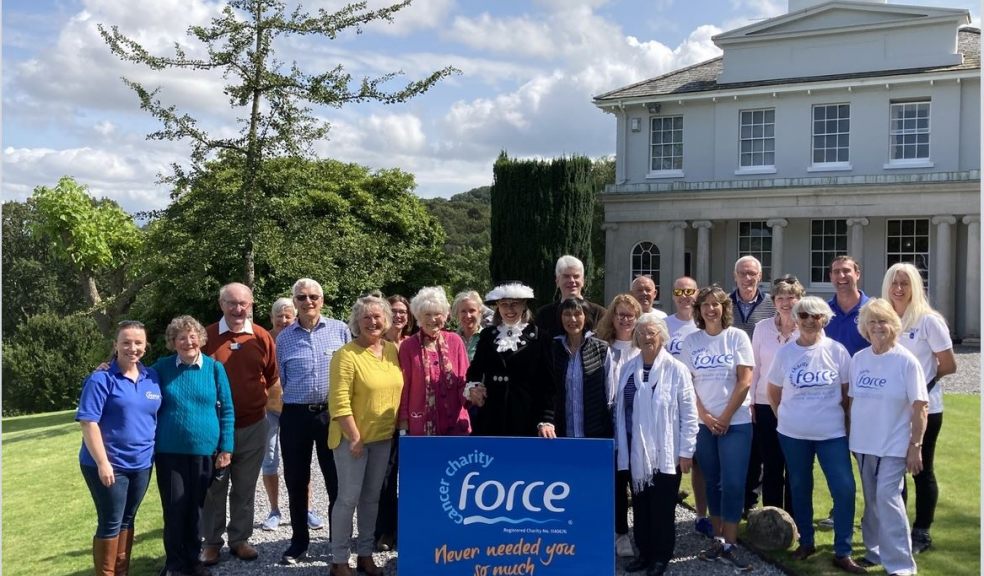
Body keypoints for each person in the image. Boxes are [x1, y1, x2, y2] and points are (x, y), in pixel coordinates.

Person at [767, 297, 864, 574]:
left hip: (832, 433)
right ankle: (806, 542)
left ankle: (843, 551)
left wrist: (840, 422)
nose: (811, 320)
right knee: (799, 487)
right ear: (796, 318)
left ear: (825, 319)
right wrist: (784, 417)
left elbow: (847, 395)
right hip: (793, 434)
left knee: (845, 489)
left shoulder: (837, 351)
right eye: (805, 314)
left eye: (817, 315)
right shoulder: (785, 353)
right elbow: (774, 393)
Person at [200, 283, 279, 565]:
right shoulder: (205, 336)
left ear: (251, 304)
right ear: (221, 304)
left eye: (243, 303)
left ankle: (239, 539)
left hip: (253, 426)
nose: (238, 309)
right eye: (231, 303)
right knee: (214, 487)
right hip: (215, 429)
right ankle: (211, 542)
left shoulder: (261, 337)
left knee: (245, 487)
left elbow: (271, 379)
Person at [849, 298, 928, 576]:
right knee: (872, 499)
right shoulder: (859, 359)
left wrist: (915, 446)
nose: (878, 327)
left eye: (883, 321)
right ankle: (874, 551)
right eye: (872, 322)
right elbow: (852, 402)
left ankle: (901, 566)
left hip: (893, 444)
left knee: (887, 497)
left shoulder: (906, 361)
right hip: (862, 443)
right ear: (865, 328)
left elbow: (921, 406)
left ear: (893, 325)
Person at [616, 313, 698, 576]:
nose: (646, 337)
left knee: (662, 509)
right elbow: (620, 410)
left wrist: (686, 452)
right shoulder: (629, 369)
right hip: (636, 452)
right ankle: (645, 554)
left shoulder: (677, 370)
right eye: (641, 332)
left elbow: (689, 414)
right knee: (640, 507)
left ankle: (661, 558)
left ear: (662, 336)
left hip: (666, 454)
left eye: (652, 332)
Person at [276, 278, 351, 565]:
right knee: (296, 480)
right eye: (302, 297)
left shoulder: (340, 330)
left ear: (322, 299)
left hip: (330, 415)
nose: (308, 302)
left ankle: (338, 541)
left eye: (313, 297)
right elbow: (283, 379)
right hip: (295, 415)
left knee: (336, 479)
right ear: (294, 302)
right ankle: (299, 542)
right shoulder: (283, 338)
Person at [882, 262, 957, 554]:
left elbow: (949, 364)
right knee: (893, 471)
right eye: (894, 283)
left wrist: (921, 389)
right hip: (891, 410)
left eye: (905, 283)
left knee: (921, 469)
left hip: (925, 409)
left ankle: (922, 532)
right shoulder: (885, 318)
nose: (899, 289)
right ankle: (896, 529)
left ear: (915, 286)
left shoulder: (928, 321)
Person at [152, 316, 234, 576]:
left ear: (200, 338)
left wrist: (226, 447)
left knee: (196, 509)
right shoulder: (161, 368)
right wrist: (106, 368)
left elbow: (228, 410)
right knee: (175, 508)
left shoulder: (214, 368)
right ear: (173, 342)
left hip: (205, 451)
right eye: (181, 337)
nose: (188, 341)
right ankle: (175, 564)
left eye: (192, 336)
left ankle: (193, 560)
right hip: (169, 451)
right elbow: (131, 374)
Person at [77, 320, 161, 576]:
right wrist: (103, 463)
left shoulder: (152, 377)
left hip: (142, 463)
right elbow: (89, 422)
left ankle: (122, 572)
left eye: (138, 343)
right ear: (116, 345)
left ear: (145, 348)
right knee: (111, 522)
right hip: (108, 465)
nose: (132, 348)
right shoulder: (101, 379)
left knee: (128, 519)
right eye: (126, 342)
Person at [328, 295, 404, 576]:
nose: (373, 322)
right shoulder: (345, 355)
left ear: (385, 320)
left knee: (372, 499)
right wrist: (355, 437)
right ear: (356, 322)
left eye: (378, 317)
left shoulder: (391, 350)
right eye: (366, 317)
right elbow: (338, 403)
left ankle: (365, 554)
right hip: (353, 440)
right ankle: (338, 560)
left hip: (383, 438)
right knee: (347, 499)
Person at [681, 286, 754, 572]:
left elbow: (745, 381)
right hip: (703, 424)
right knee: (712, 481)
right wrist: (706, 417)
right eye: (705, 305)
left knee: (733, 483)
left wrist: (723, 417)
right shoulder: (691, 341)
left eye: (716, 304)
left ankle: (731, 544)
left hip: (735, 423)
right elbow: (688, 384)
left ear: (725, 309)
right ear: (698, 310)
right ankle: (718, 538)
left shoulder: (737, 337)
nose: (711, 309)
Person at [748, 275, 803, 513]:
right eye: (780, 298)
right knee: (771, 465)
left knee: (794, 466)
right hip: (764, 404)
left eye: (791, 297)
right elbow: (755, 368)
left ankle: (793, 517)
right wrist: (750, 402)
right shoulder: (762, 328)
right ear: (774, 301)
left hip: (796, 406)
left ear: (800, 299)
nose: (786, 302)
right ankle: (772, 517)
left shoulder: (807, 329)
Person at [467, 282, 548, 437]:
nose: (509, 309)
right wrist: (474, 387)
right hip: (492, 416)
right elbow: (475, 372)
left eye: (515, 304)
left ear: (524, 305)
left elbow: (548, 385)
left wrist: (546, 419)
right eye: (504, 304)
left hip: (526, 416)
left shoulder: (540, 338)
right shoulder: (487, 336)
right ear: (498, 306)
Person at [663, 276, 709, 537]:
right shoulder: (664, 325)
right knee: (671, 463)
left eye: (689, 291)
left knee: (700, 464)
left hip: (700, 403)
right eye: (679, 290)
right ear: (673, 294)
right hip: (670, 406)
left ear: (697, 294)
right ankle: (666, 515)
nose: (684, 295)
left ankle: (702, 516)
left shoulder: (703, 325)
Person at [596, 293, 642, 557]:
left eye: (630, 315)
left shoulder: (643, 348)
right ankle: (620, 533)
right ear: (612, 317)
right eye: (620, 314)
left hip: (636, 427)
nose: (625, 319)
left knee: (637, 482)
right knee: (616, 482)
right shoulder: (602, 347)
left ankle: (641, 533)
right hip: (609, 425)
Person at [399, 286, 471, 437]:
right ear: (419, 316)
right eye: (427, 314)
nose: (433, 319)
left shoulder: (455, 341)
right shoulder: (408, 346)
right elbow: (404, 387)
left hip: (456, 424)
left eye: (437, 314)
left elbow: (464, 379)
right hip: (421, 425)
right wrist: (403, 421)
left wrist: (471, 396)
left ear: (445, 316)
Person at [542, 297, 611, 439]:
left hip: (594, 434)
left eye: (577, 314)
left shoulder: (601, 349)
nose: (572, 319)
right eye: (567, 314)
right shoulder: (552, 348)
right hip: (558, 434)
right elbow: (545, 390)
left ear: (586, 317)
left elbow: (610, 393)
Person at [535, 255, 607, 338]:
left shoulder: (600, 314)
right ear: (557, 281)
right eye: (566, 276)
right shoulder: (543, 315)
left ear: (583, 281)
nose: (572, 281)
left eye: (576, 276)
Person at [827, 256, 871, 356]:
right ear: (831, 276)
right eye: (836, 272)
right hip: (832, 370)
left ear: (857, 274)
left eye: (846, 271)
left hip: (863, 370)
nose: (841, 275)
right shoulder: (823, 312)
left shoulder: (873, 310)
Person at [730, 256, 776, 338]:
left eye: (752, 273)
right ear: (735, 276)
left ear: (760, 276)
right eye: (742, 273)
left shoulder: (774, 304)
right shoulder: (723, 303)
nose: (747, 278)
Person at [452, 290, 484, 360]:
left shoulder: (487, 338)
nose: (468, 316)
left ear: (479, 312)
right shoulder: (452, 340)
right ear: (458, 314)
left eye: (472, 310)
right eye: (463, 311)